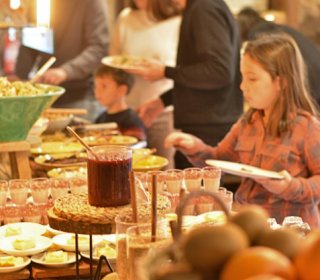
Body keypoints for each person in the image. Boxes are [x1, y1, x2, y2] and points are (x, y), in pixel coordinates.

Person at [165, 33, 320, 228]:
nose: (242, 86)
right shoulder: (248, 122)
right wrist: (194, 147)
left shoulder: (307, 127)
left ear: (281, 82)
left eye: (252, 79)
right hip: (249, 223)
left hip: (291, 233)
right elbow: (218, 159)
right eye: (243, 77)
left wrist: (290, 187)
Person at [128, 0, 243, 169]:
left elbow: (219, 71)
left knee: (199, 193)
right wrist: (164, 100)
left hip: (208, 129)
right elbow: (204, 77)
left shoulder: (204, 8)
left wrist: (166, 72)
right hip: (205, 123)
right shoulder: (198, 7)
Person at [109, 0, 181, 167]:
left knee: (163, 171)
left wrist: (159, 70)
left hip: (163, 110)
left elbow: (182, 69)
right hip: (130, 110)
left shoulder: (176, 21)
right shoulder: (126, 18)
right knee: (127, 170)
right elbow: (113, 57)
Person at [15, 0, 109, 122]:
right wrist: (21, 79)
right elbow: (30, 44)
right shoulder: (39, 3)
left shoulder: (91, 3)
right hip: (42, 97)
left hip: (78, 96)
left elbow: (99, 48)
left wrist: (66, 71)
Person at [237, 7, 320, 105]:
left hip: (309, 82)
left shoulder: (261, 38)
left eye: (252, 79)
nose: (243, 86)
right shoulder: (278, 28)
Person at [94, 65, 146, 141]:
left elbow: (137, 145)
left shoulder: (131, 119)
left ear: (122, 90)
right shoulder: (100, 118)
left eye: (104, 86)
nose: (97, 91)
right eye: (95, 86)